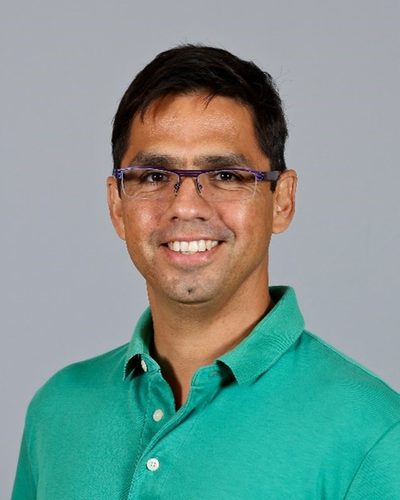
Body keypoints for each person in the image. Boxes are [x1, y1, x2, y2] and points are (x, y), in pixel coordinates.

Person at [12, 44, 400, 499]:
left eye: (227, 176)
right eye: (154, 176)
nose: (186, 206)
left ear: (282, 200)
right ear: (117, 206)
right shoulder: (57, 411)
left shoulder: (374, 435)